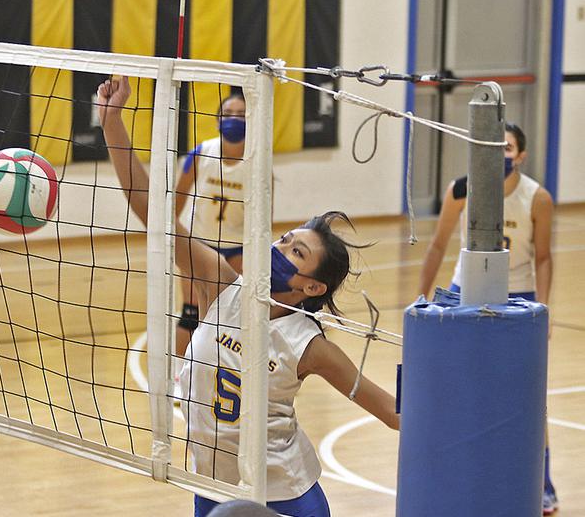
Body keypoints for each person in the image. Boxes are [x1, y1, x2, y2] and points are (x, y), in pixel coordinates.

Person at [98, 76, 399, 517]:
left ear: (312, 287)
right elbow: (153, 211)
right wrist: (111, 124)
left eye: (297, 252)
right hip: (211, 487)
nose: (279, 249)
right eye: (284, 240)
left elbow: (392, 413)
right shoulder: (220, 283)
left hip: (285, 497)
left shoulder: (308, 345)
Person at [416, 122, 556, 514]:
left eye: (507, 146)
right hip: (466, 292)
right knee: (456, 384)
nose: (500, 153)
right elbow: (438, 243)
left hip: (519, 297)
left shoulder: (537, 198)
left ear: (521, 155)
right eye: (492, 145)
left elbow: (543, 257)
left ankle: (542, 484)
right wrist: (421, 295)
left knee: (529, 394)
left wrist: (542, 307)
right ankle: (454, 464)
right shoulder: (461, 189)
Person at [174, 93, 247, 357]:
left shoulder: (257, 161)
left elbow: (262, 218)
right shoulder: (201, 154)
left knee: (230, 320)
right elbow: (177, 199)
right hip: (200, 245)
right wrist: (174, 239)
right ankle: (180, 377)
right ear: (218, 120)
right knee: (191, 313)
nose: (234, 119)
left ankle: (221, 372)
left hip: (237, 250)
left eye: (241, 114)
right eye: (228, 113)